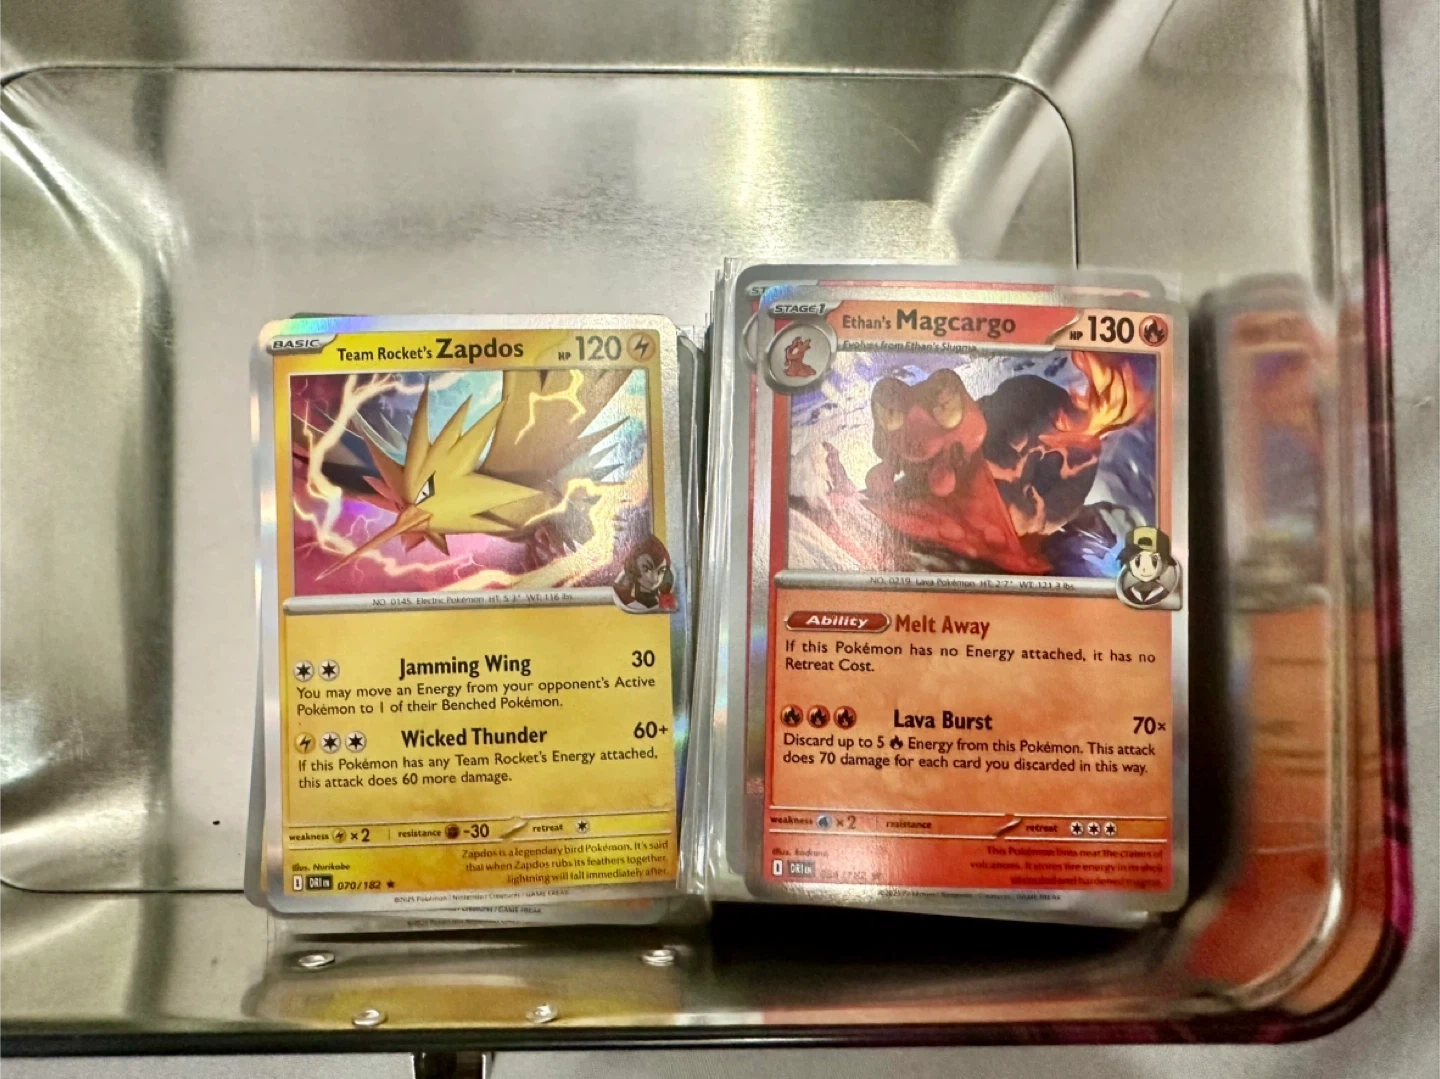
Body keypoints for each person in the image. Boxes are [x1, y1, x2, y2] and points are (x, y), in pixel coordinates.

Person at [1115, 526, 1181, 608]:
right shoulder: (1128, 593)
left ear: (1164, 565)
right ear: (1128, 564)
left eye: (1154, 561)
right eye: (1137, 561)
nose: (1144, 568)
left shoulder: (1166, 595)